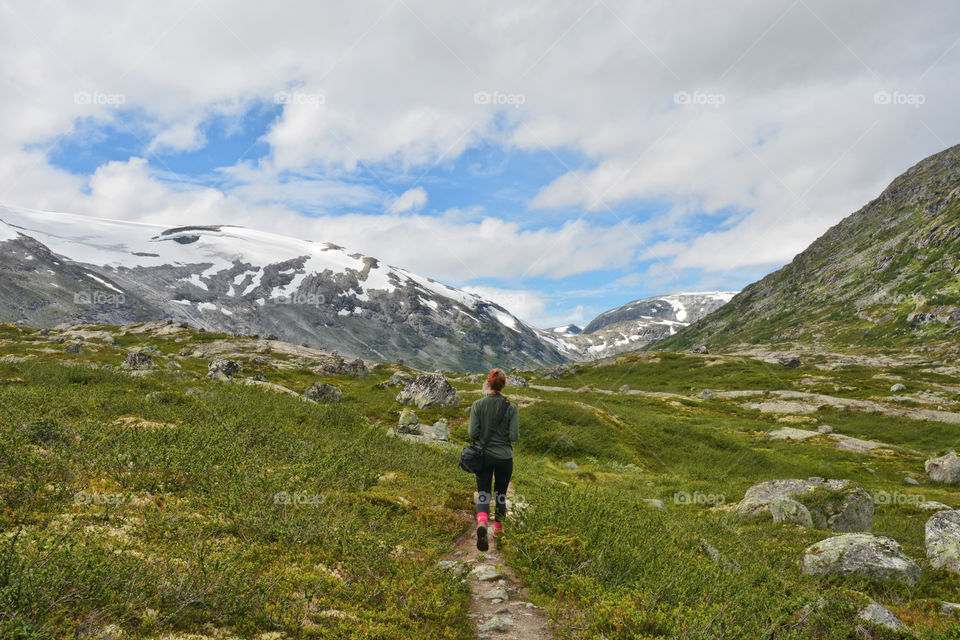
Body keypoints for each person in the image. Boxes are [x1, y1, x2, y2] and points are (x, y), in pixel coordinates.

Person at [468, 368, 519, 551]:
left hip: (484, 456)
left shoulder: (478, 405)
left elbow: (472, 433)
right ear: (504, 385)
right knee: (501, 494)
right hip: (505, 457)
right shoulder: (511, 407)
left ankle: (482, 523)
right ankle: (498, 531)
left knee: (483, 492)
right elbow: (514, 436)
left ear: (488, 383)